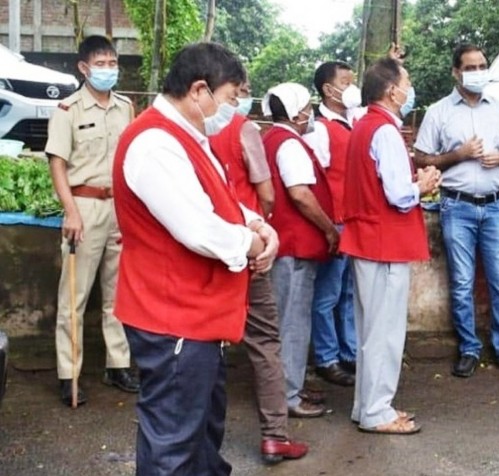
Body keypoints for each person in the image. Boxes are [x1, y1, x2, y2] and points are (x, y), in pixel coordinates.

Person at [112, 41, 278, 475]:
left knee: (201, 433)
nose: (232, 108)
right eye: (230, 97)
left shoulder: (189, 136)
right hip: (172, 317)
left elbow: (217, 201)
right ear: (199, 90)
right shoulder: (154, 142)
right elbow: (196, 226)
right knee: (174, 445)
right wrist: (252, 243)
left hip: (195, 316)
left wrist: (259, 226)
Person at [413, 45, 499, 380]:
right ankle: (469, 349)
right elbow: (421, 157)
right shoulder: (439, 112)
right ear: (456, 72)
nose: (478, 71)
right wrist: (459, 155)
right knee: (462, 282)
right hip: (456, 205)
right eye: (470, 67)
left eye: (482, 65)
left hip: (495, 205)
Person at [208, 81, 308, 464]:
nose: (240, 98)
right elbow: (265, 192)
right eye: (238, 90)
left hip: (205, 247)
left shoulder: (185, 132)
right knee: (265, 340)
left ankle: (202, 439)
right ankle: (274, 436)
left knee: (205, 341)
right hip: (247, 245)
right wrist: (262, 229)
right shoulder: (243, 128)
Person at [341, 57, 440, 434]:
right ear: (391, 90)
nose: (408, 89)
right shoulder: (384, 131)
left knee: (371, 330)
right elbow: (399, 195)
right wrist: (424, 184)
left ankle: (366, 406)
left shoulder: (364, 126)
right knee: (384, 332)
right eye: (406, 82)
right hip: (384, 241)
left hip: (368, 239)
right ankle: (377, 410)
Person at [45, 34, 138, 406]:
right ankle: (69, 375)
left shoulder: (125, 107)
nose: (108, 69)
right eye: (100, 64)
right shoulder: (68, 109)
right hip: (83, 207)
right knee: (74, 297)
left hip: (119, 208)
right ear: (83, 68)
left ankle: (118, 365)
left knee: (118, 294)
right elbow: (57, 163)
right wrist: (70, 211)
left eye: (112, 63)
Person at [261, 82, 338, 418]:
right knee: (293, 321)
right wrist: (329, 228)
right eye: (307, 107)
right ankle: (289, 396)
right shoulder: (289, 144)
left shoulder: (269, 139)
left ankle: (288, 386)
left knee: (285, 318)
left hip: (283, 242)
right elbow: (301, 194)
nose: (311, 113)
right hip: (294, 244)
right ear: (295, 114)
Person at [306, 61, 361, 388]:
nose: (351, 87)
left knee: (348, 292)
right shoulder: (320, 128)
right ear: (328, 89)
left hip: (352, 219)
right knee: (327, 294)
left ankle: (348, 350)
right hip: (336, 219)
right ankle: (327, 357)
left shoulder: (352, 121)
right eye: (345, 81)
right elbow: (315, 178)